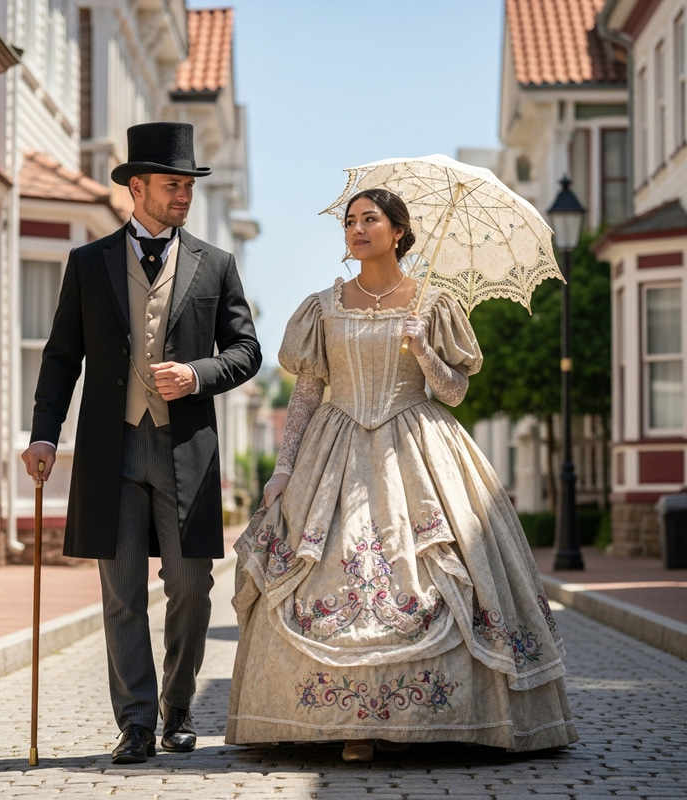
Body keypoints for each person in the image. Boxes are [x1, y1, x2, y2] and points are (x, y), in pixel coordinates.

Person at [226, 188, 577, 762]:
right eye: (351, 221)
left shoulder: (434, 305)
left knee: (441, 571)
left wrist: (425, 350)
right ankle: (348, 724)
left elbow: (456, 393)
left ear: (398, 231)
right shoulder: (322, 305)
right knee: (330, 574)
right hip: (333, 454)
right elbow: (308, 392)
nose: (357, 230)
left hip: (419, 448)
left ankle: (447, 720)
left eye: (371, 220)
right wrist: (284, 468)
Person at [21, 122, 261, 764]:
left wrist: (196, 374)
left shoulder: (218, 263)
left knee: (190, 586)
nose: (183, 195)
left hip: (188, 449)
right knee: (121, 589)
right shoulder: (87, 262)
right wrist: (45, 433)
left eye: (187, 185)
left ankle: (177, 708)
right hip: (111, 450)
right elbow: (60, 356)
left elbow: (247, 352)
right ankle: (133, 721)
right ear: (137, 187)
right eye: (172, 184)